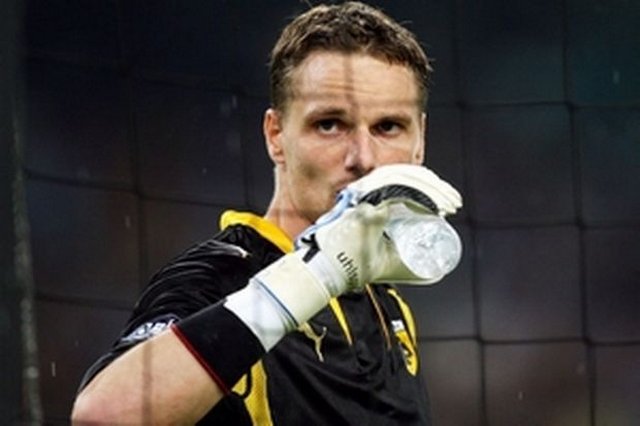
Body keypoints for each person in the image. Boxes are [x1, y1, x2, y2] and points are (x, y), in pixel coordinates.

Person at [71, 2, 462, 424]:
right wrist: (317, 273)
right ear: (275, 135)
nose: (363, 158)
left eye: (387, 127)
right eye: (330, 124)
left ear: (420, 141)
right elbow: (103, 416)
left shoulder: (386, 304)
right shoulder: (221, 279)